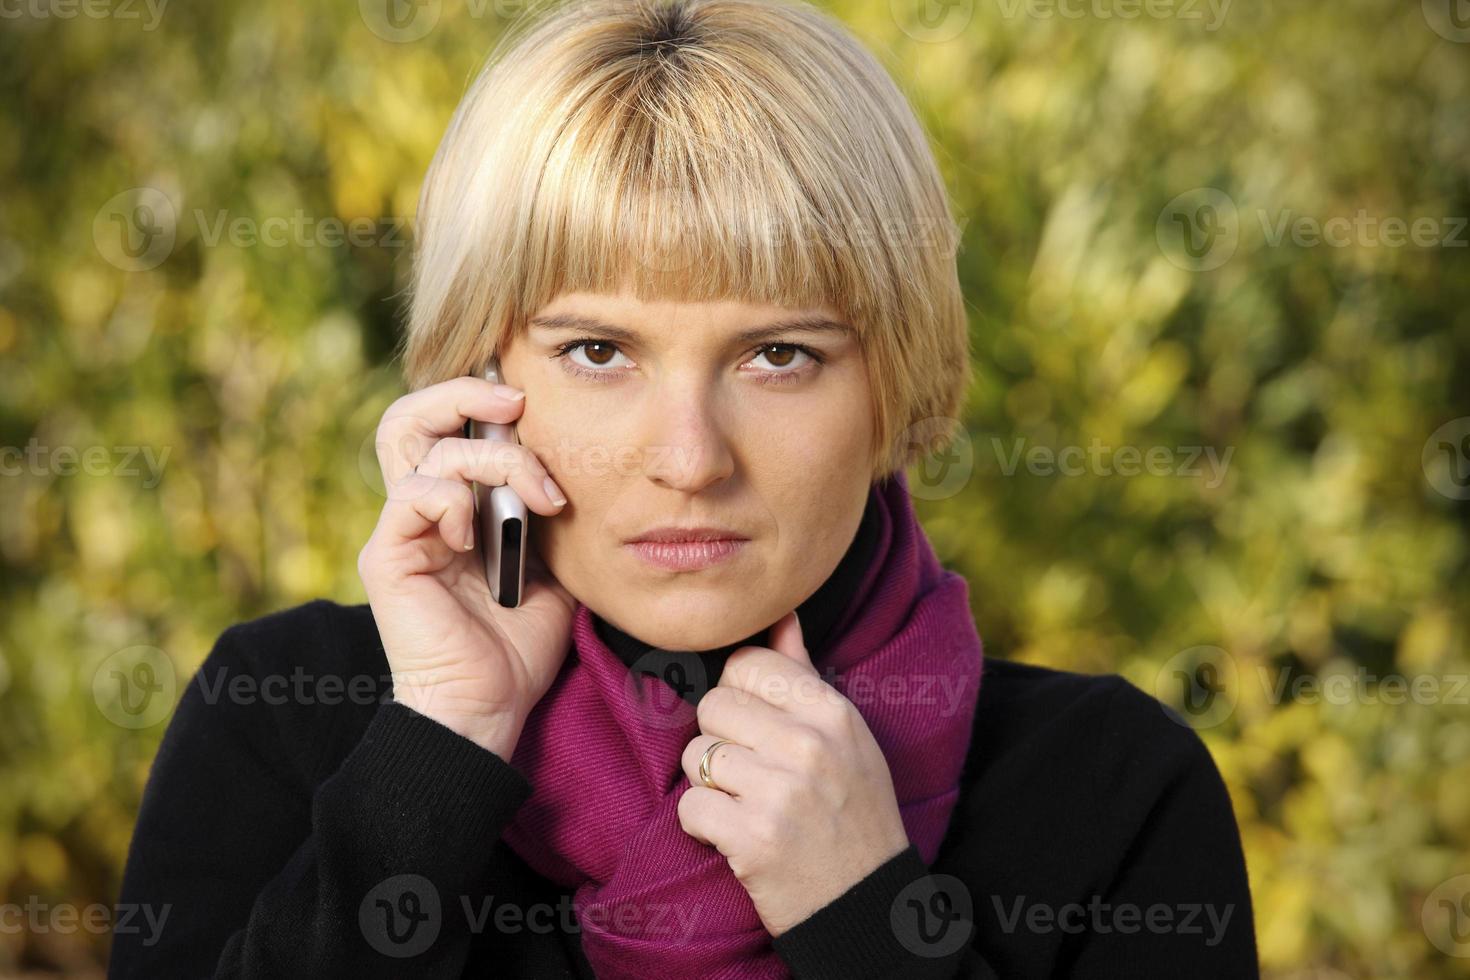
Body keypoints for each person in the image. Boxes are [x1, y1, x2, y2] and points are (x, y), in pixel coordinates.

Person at [110, 0, 1258, 976]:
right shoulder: (282, 712)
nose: (691, 457)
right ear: (480, 377)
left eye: (780, 355)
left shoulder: (1111, 785)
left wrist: (868, 913)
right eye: (598, 352)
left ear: (892, 389)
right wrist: (434, 752)